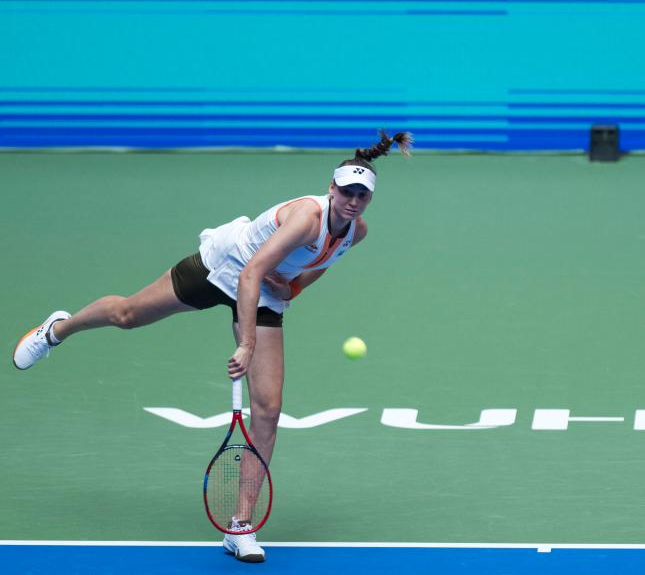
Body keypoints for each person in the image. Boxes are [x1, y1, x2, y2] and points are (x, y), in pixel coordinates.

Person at [12, 130, 412, 563]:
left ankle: (240, 526)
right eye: (347, 191)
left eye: (362, 195)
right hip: (224, 266)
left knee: (268, 410)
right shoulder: (305, 219)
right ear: (331, 188)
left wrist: (293, 288)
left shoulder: (357, 231)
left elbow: (321, 263)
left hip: (265, 289)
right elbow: (250, 272)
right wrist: (246, 344)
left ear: (369, 199)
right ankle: (57, 330)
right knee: (128, 315)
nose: (353, 201)